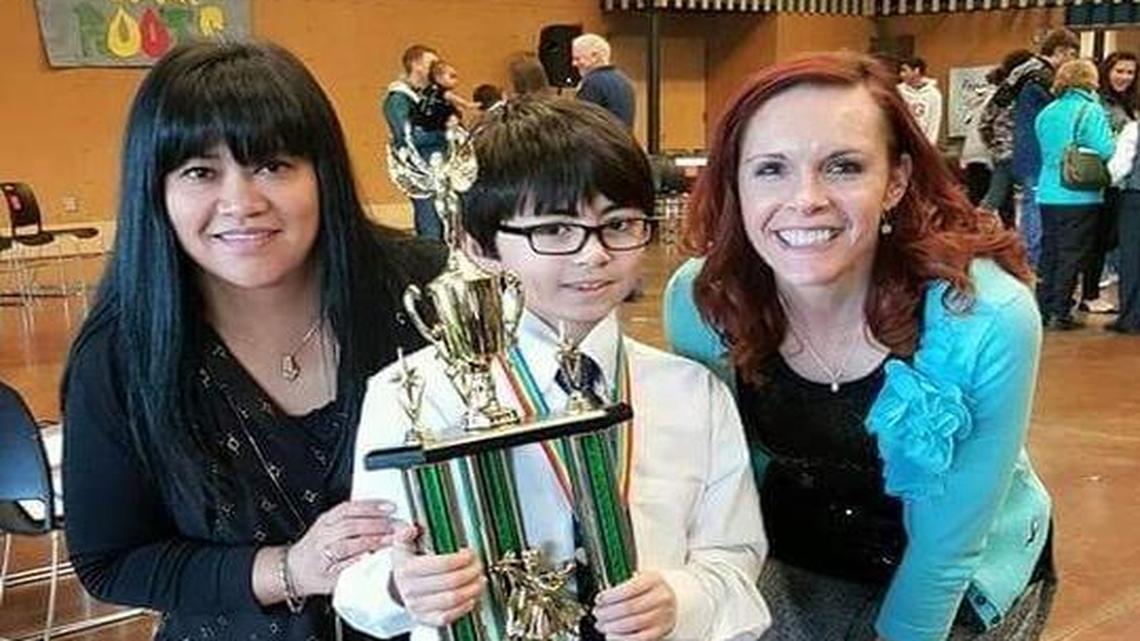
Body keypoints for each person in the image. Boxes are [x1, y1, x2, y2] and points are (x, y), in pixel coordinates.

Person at [333, 97, 771, 641]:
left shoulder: (692, 392)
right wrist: (401, 586)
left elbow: (735, 557)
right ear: (479, 245)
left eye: (619, 224)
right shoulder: (413, 392)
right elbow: (355, 582)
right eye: (556, 230)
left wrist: (680, 599)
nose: (594, 254)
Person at [664, 52, 1055, 641]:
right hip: (793, 555)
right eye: (770, 169)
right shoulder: (705, 303)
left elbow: (947, 553)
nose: (806, 198)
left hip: (954, 575)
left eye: (844, 167)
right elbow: (718, 488)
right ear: (735, 184)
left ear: (895, 181)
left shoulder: (982, 317)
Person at [62, 41, 445, 640]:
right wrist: (290, 569)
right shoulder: (119, 353)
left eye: (272, 165)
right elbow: (111, 560)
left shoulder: (427, 292)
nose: (241, 203)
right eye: (200, 172)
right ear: (156, 191)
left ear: (322, 174)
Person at [1034, 58, 1115, 330]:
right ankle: (1061, 311)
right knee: (1072, 253)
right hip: (1079, 193)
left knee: (1050, 251)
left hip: (1048, 191)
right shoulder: (1090, 110)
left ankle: (1043, 307)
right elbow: (1105, 149)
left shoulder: (1047, 111)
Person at [1007, 29, 1081, 269]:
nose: (1072, 61)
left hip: (1027, 151)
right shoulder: (1043, 79)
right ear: (1060, 51)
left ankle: (1029, 257)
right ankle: (1033, 260)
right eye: (1071, 54)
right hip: (1038, 154)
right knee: (1036, 208)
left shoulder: (1027, 74)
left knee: (1031, 205)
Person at [1078, 51, 1138, 314]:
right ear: (1107, 72)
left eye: (1130, 72)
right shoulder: (1097, 103)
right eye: (1119, 71)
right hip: (1102, 179)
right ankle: (1089, 294)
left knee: (1107, 238)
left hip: (1120, 183)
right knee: (1098, 238)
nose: (1125, 77)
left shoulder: (1127, 103)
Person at [385, 44, 445, 241]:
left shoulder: (430, 96)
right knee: (431, 225)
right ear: (416, 65)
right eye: (432, 64)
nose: (437, 69)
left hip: (440, 169)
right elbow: (407, 137)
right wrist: (443, 133)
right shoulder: (398, 99)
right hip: (422, 172)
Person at [979, 49, 1035, 228]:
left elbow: (985, 122)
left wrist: (994, 145)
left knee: (995, 196)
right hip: (1021, 151)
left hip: (1004, 151)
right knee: (1030, 196)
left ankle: (979, 228)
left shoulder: (1003, 91)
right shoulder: (1029, 90)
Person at [1107, 97, 1140, 334]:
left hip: (1135, 198)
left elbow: (1119, 168)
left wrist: (1108, 180)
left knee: (1132, 258)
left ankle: (1130, 318)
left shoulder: (1133, 129)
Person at [572, 33, 636, 128]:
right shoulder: (624, 80)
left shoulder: (592, 83)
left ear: (594, 56)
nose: (574, 63)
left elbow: (582, 124)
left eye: (578, 59)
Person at [412, 59, 480, 133]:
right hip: (433, 128)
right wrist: (474, 105)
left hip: (420, 125)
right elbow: (465, 104)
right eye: (452, 76)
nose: (456, 81)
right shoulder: (444, 93)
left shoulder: (429, 90)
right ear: (439, 78)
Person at [897, 56, 943, 145]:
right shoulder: (898, 92)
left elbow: (934, 122)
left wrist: (929, 145)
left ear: (916, 71)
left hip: (923, 143)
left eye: (904, 70)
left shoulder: (933, 94)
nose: (901, 75)